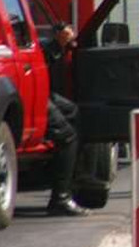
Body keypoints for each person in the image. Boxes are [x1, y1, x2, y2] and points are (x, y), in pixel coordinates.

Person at [43, 25, 89, 216]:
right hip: (30, 94)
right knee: (67, 136)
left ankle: (74, 181)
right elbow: (39, 54)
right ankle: (60, 198)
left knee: (73, 111)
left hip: (38, 93)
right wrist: (57, 44)